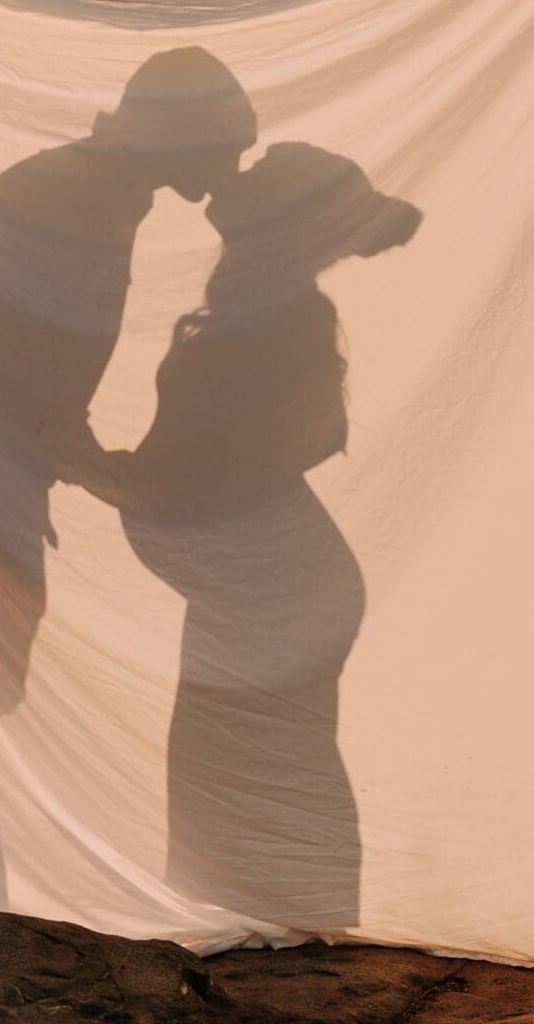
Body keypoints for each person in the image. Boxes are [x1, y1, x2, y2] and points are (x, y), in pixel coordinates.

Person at [0, 46, 258, 906]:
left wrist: (86, 462)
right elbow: (3, 369)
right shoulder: (68, 204)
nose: (232, 166)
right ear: (178, 137)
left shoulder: (101, 198)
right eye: (222, 145)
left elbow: (34, 372)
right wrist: (105, 472)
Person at [90, 140, 419, 931]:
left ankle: (303, 934)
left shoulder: (284, 321)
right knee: (247, 762)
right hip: (264, 580)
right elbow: (201, 458)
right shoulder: (252, 315)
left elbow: (233, 457)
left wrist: (101, 466)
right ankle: (292, 930)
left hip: (276, 582)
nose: (216, 216)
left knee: (257, 763)